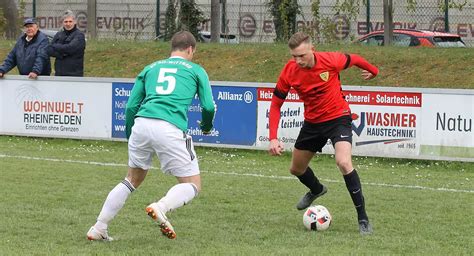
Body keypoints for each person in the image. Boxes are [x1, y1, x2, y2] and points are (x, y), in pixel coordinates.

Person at [87, 31, 216, 241]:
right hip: (169, 126)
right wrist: (207, 127)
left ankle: (99, 227)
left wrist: (131, 134)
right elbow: (208, 107)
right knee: (193, 184)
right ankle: (161, 207)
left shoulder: (151, 68)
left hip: (141, 123)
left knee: (131, 179)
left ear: (172, 49)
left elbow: (130, 106)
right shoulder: (196, 70)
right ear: (191, 49)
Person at [268, 32, 378, 235]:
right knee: (296, 169)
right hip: (312, 123)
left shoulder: (330, 60)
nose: (298, 60)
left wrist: (373, 70)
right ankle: (317, 189)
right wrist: (273, 137)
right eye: (294, 56)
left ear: (312, 49)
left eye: (301, 55)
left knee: (343, 162)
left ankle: (363, 219)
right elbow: (276, 105)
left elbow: (354, 59)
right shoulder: (290, 71)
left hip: (338, 118)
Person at [47, 10, 86, 76]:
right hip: (59, 73)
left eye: (70, 21)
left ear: (75, 22)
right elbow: (49, 50)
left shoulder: (79, 36)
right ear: (62, 23)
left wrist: (56, 46)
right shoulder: (59, 34)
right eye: (66, 21)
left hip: (74, 74)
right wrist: (62, 54)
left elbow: (70, 48)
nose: (68, 24)